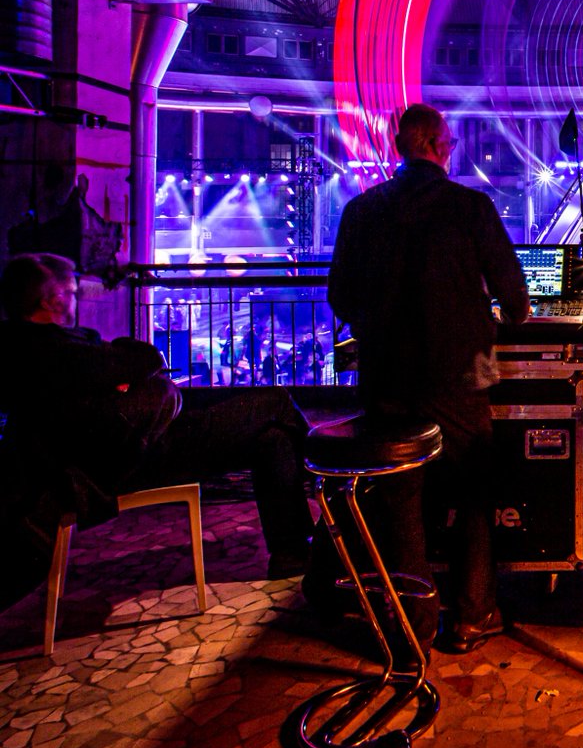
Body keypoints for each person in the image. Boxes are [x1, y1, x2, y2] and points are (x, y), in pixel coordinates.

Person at [315, 103, 530, 655]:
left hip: (387, 378)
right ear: (437, 145)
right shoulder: (471, 207)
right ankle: (473, 615)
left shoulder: (362, 211)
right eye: (451, 143)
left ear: (398, 147)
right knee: (475, 491)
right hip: (458, 378)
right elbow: (516, 299)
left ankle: (412, 622)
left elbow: (340, 296)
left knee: (400, 497)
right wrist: (491, 317)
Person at [0, 253, 315, 609]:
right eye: (71, 292)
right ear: (51, 299)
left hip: (132, 448)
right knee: (275, 402)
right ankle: (330, 482)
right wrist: (123, 369)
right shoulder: (49, 349)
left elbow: (122, 372)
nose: (75, 299)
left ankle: (292, 555)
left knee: (270, 439)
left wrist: (123, 379)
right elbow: (146, 358)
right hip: (138, 457)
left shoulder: (28, 347)